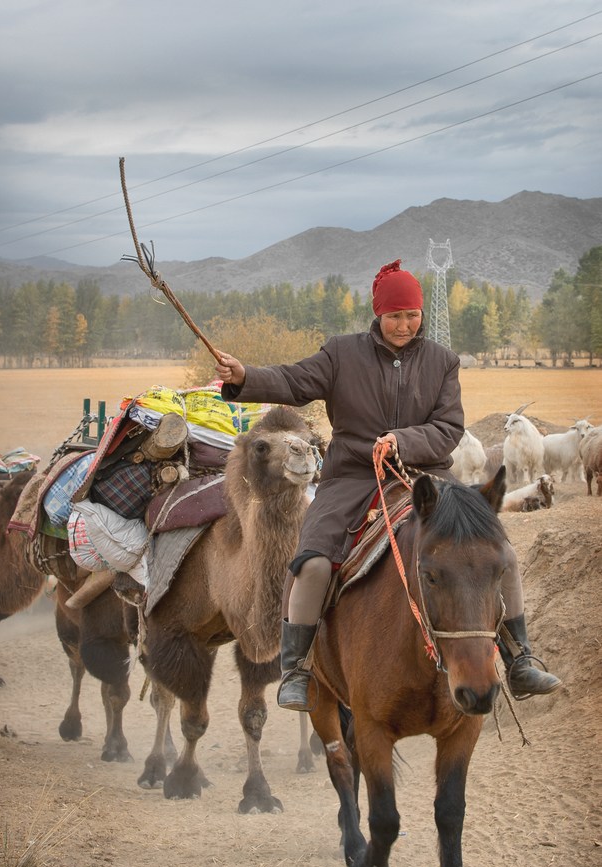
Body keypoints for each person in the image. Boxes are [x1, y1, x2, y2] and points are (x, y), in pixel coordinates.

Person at [215, 260, 561, 710]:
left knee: (502, 554)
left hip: (428, 477)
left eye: (412, 315)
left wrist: (403, 440)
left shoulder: (442, 361)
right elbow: (295, 380)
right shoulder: (342, 354)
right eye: (394, 315)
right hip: (353, 478)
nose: (404, 325)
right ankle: (296, 667)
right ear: (378, 314)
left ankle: (519, 660)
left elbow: (448, 427)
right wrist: (245, 377)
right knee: (315, 561)